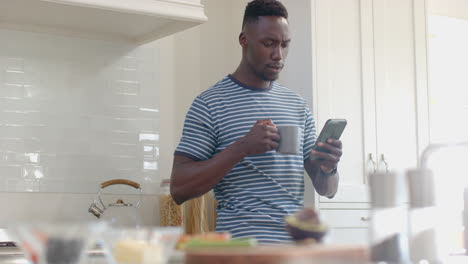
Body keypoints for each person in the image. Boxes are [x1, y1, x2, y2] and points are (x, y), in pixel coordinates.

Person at [170, 0, 342, 244]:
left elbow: (327, 189)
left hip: (295, 250)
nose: (278, 55)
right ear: (244, 40)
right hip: (241, 250)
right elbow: (178, 189)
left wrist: (329, 167)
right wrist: (242, 148)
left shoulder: (297, 105)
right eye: (268, 43)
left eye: (285, 45)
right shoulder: (209, 104)